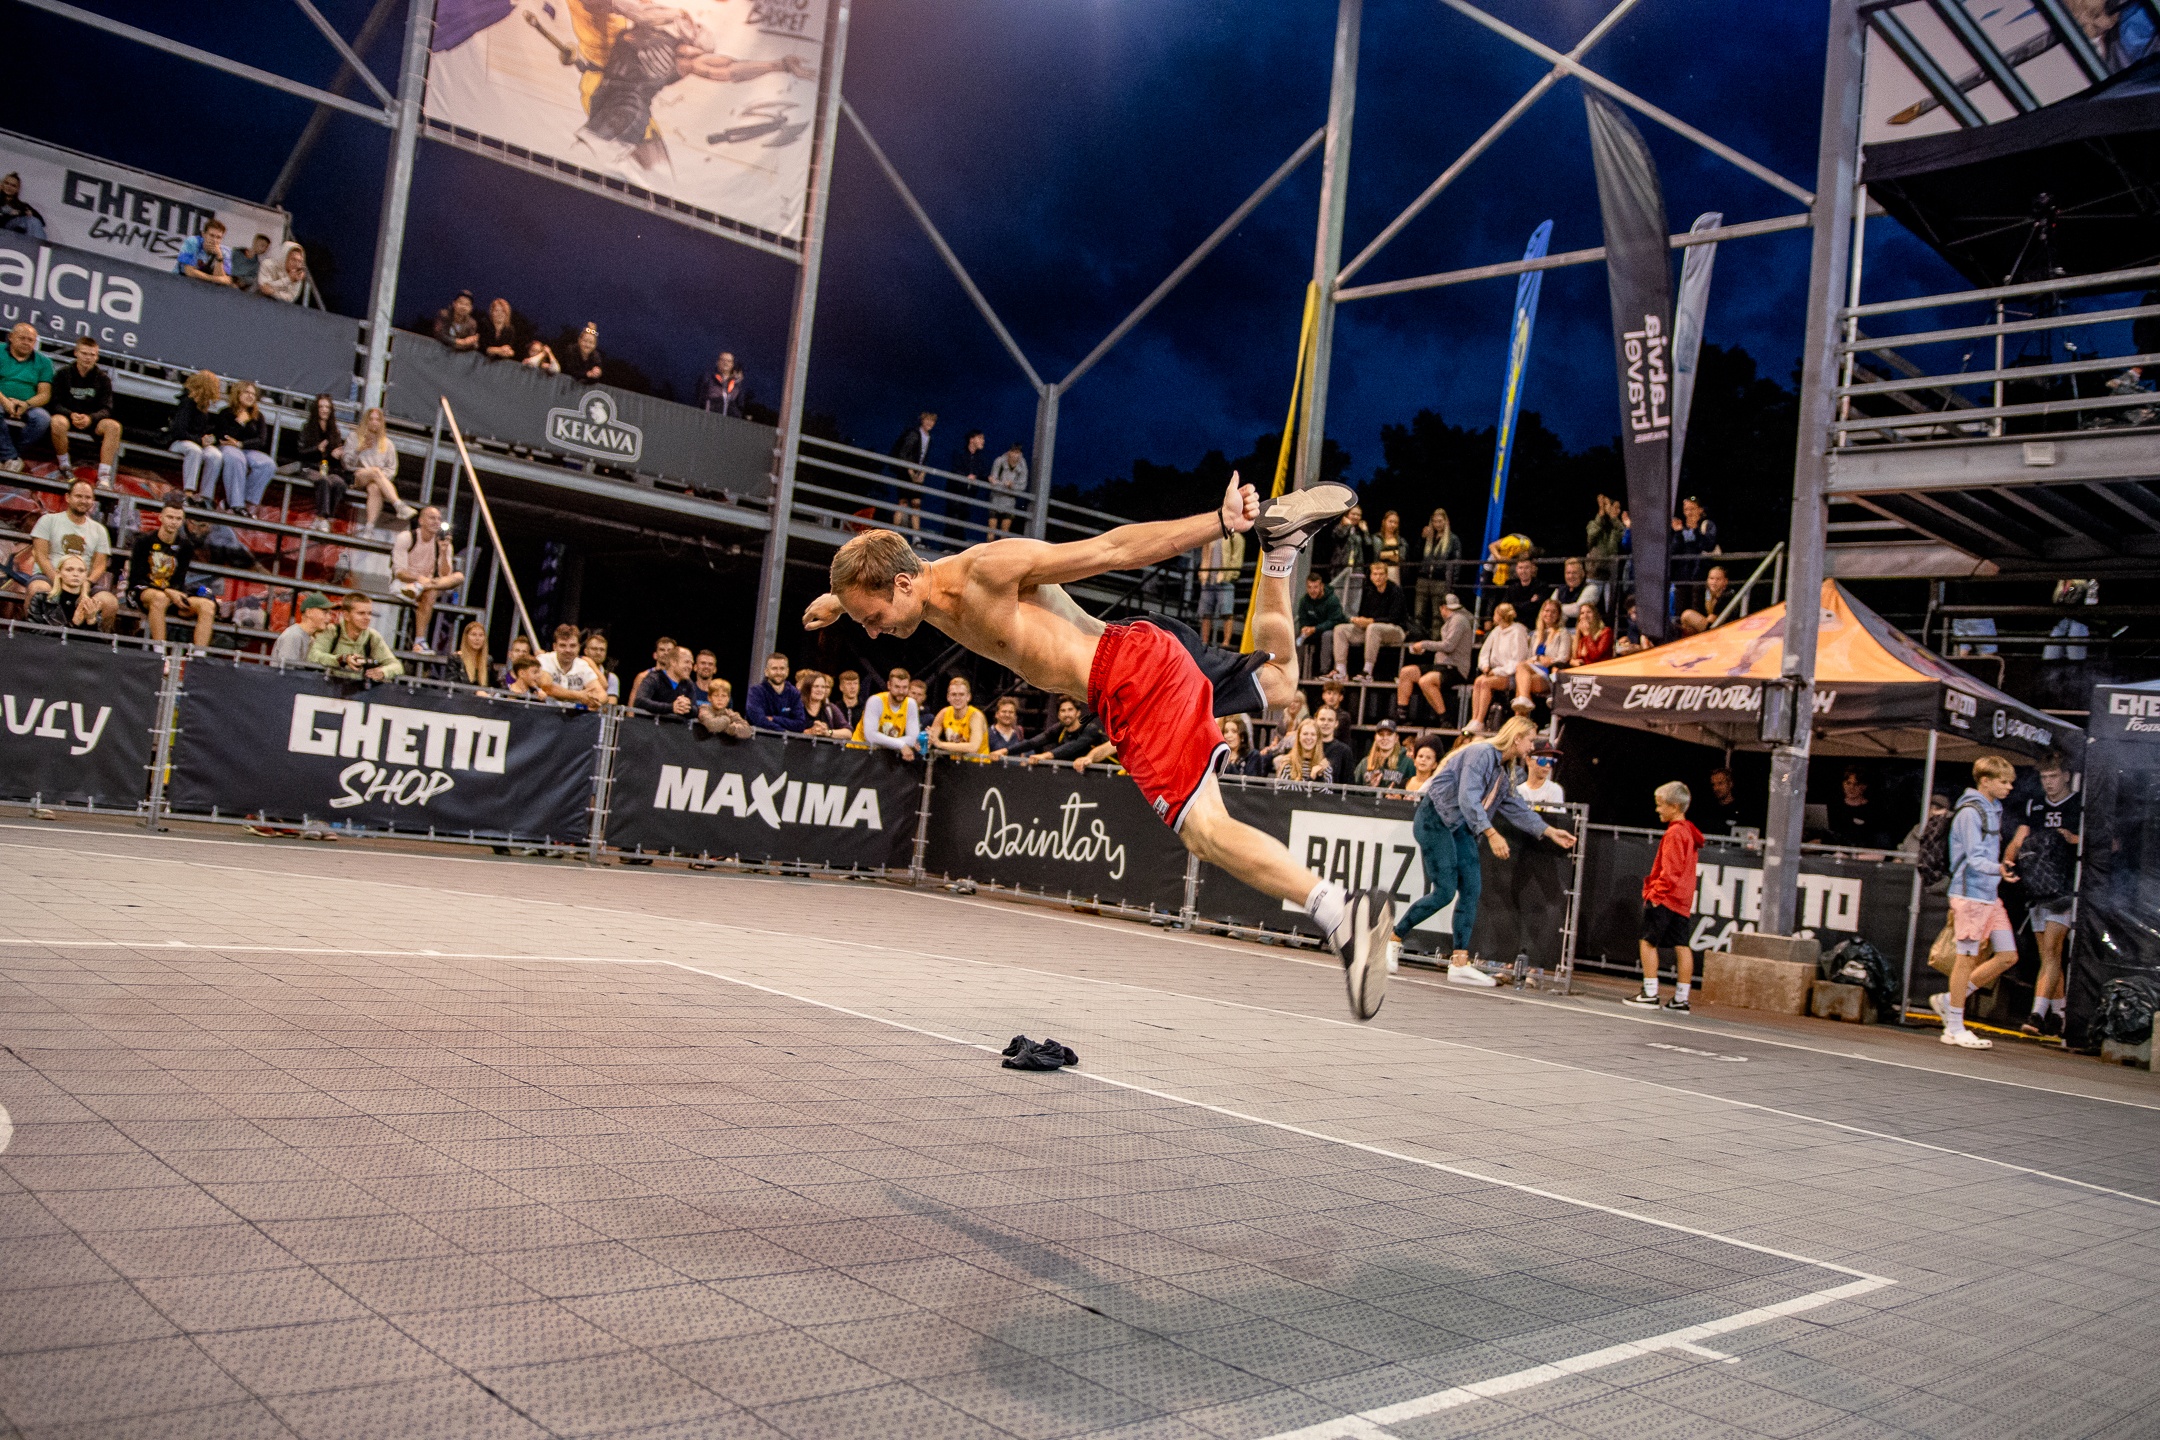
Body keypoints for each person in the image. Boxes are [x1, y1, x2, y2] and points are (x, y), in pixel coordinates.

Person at [809, 476, 1398, 1017]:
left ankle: (1341, 914)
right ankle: (1282, 547)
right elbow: (883, 568)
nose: (873, 631)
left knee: (1206, 831)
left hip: (1132, 680)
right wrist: (841, 601)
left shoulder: (988, 570)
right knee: (1280, 684)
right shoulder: (914, 589)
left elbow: (1114, 549)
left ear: (902, 585)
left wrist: (1219, 523)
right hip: (1137, 658)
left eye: (872, 617)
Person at [1395, 716, 1578, 981]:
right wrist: (1491, 833)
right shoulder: (1480, 753)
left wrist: (1549, 831)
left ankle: (1459, 963)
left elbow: (1516, 808)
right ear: (1517, 738)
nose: (1531, 746)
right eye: (1530, 740)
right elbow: (1467, 797)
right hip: (1435, 820)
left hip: (1461, 827)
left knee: (1471, 889)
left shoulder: (1505, 772)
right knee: (1445, 892)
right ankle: (1393, 938)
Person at [1934, 756, 2020, 1050]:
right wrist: (1999, 868)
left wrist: (1998, 871)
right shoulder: (1970, 813)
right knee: (1966, 959)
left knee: (2008, 956)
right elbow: (1973, 858)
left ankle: (1949, 1001)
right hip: (1970, 895)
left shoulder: (1992, 809)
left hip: (1988, 895)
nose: (2009, 787)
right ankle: (1954, 1027)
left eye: (2010, 782)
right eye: (2003, 782)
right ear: (1985, 781)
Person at [2005, 754, 2081, 1039]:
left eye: (2053, 776)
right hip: (2037, 889)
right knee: (2049, 956)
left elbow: (2107, 843)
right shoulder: (2034, 805)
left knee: (2051, 950)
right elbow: (2018, 840)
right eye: (2044, 777)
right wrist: (2008, 860)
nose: (2048, 783)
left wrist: (2073, 838)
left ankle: (2036, 1015)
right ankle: (2060, 1016)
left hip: (2064, 889)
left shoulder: (2079, 805)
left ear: (2066, 776)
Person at [1625, 781, 1702, 1012]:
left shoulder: (1675, 833)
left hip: (1666, 898)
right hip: (1683, 901)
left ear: (1675, 806)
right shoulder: (1689, 831)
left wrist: (1654, 895)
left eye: (1660, 805)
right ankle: (1681, 999)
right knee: (1682, 945)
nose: (1657, 809)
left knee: (1647, 942)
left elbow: (1670, 871)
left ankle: (1649, 994)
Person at [27, 479, 116, 629]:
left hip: (82, 580)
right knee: (37, 589)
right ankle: (31, 634)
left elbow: (100, 565)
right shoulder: (48, 520)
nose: (83, 501)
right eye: (79, 496)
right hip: (49, 576)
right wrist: (58, 581)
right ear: (68, 497)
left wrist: (86, 584)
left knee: (110, 602)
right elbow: (40, 556)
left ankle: (96, 640)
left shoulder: (99, 530)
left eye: (88, 497)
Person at [127, 500, 215, 649]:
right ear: (160, 517)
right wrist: (168, 591)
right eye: (170, 517)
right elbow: (137, 579)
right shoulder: (144, 541)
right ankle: (160, 653)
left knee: (208, 606)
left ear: (182, 521)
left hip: (171, 594)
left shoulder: (186, 546)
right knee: (159, 598)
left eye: (178, 518)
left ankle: (198, 657)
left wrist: (176, 594)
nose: (173, 522)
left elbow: (179, 579)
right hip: (142, 592)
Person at [48, 337, 121, 487]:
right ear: (76, 353)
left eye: (92, 355)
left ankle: (104, 476)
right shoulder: (63, 374)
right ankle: (65, 466)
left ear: (97, 357)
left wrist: (90, 418)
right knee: (57, 422)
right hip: (68, 417)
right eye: (84, 353)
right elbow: (55, 403)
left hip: (92, 421)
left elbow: (107, 409)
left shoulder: (103, 379)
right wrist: (70, 414)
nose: (88, 358)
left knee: (114, 426)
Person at [391, 507, 463, 654]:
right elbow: (399, 573)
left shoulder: (444, 545)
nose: (436, 522)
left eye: (438, 519)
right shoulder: (407, 537)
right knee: (431, 591)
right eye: (432, 518)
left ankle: (419, 643)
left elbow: (445, 576)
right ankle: (420, 641)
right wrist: (419, 579)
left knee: (459, 577)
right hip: (404, 584)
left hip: (425, 586)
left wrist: (443, 552)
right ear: (421, 520)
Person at [1396, 591, 1474, 725]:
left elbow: (1448, 646)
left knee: (1426, 681)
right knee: (1406, 672)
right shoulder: (1449, 622)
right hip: (1441, 665)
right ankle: (1401, 715)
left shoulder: (1458, 620)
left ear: (1442, 608)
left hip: (1455, 668)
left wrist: (1424, 644)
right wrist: (1424, 649)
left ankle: (1445, 719)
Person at [1328, 557, 1409, 681]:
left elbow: (1394, 618)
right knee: (1340, 629)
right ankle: (1341, 671)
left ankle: (1367, 671)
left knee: (1373, 627)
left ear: (1386, 576)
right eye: (1375, 574)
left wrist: (1370, 621)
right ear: (1371, 576)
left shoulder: (1396, 591)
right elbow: (1364, 614)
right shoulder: (1369, 592)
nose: (1378, 577)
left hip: (1396, 631)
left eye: (1381, 574)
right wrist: (1359, 621)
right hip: (1371, 631)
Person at [0, 322, 55, 474]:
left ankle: (9, 457)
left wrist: (26, 404)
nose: (26, 342)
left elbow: (45, 394)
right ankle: (11, 457)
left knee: (43, 419)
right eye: (22, 338)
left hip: (28, 404)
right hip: (1, 399)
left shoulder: (44, 362)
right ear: (11, 337)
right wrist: (5, 402)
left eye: (30, 340)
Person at [309, 592, 402, 681]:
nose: (367, 618)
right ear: (346, 615)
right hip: (329, 685)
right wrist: (342, 659)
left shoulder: (372, 636)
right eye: (361, 613)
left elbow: (397, 666)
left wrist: (383, 672)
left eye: (369, 613)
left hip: (360, 688)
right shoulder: (332, 631)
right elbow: (313, 656)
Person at [214, 380, 276, 514]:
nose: (250, 396)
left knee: (268, 464)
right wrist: (239, 422)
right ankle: (235, 504)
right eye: (247, 392)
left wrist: (240, 444)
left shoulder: (258, 416)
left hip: (247, 449)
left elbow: (261, 441)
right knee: (237, 458)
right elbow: (223, 435)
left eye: (253, 394)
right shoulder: (226, 413)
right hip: (228, 448)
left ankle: (248, 503)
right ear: (238, 393)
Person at [344, 407, 410, 530]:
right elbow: (347, 464)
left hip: (377, 481)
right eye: (371, 419)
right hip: (357, 476)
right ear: (366, 421)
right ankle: (398, 504)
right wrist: (359, 450)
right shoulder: (354, 437)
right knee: (375, 471)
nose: (374, 422)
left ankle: (369, 527)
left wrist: (379, 477)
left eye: (377, 420)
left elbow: (391, 469)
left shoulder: (388, 444)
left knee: (375, 488)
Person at [1468, 602, 1529, 727]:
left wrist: (1497, 672)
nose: (1493, 616)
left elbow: (1517, 660)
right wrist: (1485, 666)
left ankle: (1480, 719)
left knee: (1485, 683)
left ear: (1501, 615)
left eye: (1495, 613)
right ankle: (1474, 719)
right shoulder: (1496, 631)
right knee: (1478, 681)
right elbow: (1484, 653)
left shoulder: (1518, 631)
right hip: (1495, 671)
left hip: (1511, 675)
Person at [1511, 598, 1574, 715]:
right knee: (1523, 680)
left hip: (1550, 674)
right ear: (1542, 613)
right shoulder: (1536, 634)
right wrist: (1539, 659)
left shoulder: (1563, 634)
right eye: (1547, 611)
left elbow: (1563, 658)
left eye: (1553, 612)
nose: (1549, 614)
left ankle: (1519, 718)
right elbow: (1530, 657)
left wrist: (1547, 660)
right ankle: (1523, 707)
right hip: (1535, 670)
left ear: (1558, 615)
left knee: (1522, 679)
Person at [166, 370, 225, 496]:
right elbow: (179, 431)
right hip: (179, 442)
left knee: (215, 455)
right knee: (194, 450)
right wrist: (199, 440)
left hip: (196, 442)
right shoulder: (187, 403)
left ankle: (206, 495)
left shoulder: (204, 407)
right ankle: (189, 490)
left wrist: (208, 439)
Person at [296, 394, 346, 528]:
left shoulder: (334, 431)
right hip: (308, 467)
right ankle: (321, 517)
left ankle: (328, 517)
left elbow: (333, 459)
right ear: (316, 409)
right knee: (323, 480)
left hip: (328, 469)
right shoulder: (307, 428)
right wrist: (317, 449)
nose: (324, 410)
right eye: (321, 407)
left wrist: (335, 455)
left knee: (339, 483)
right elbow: (301, 453)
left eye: (327, 407)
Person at [1196, 525, 1245, 649]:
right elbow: (1205, 555)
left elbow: (1237, 557)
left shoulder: (1234, 537)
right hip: (1209, 578)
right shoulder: (1211, 537)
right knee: (1206, 612)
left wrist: (1230, 575)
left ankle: (1226, 641)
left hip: (1224, 578)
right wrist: (1203, 572)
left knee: (1226, 611)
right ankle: (1204, 640)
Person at [854, 667, 920, 759]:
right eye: (897, 687)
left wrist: (891, 744)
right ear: (889, 685)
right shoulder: (875, 701)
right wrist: (900, 744)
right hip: (859, 753)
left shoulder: (911, 704)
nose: (901, 692)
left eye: (905, 687)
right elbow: (870, 736)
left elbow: (913, 738)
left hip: (885, 755)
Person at [27, 554, 105, 631]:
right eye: (69, 570)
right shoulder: (41, 599)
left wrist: (91, 621)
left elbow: (98, 638)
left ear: (86, 575)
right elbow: (32, 632)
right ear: (58, 573)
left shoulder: (91, 606)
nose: (75, 574)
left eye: (81, 570)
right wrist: (72, 624)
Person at [1413, 507, 1461, 634]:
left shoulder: (1453, 539)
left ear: (1446, 521)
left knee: (1437, 615)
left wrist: (1452, 584)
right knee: (1418, 613)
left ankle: (1435, 640)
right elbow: (1416, 556)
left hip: (1440, 581)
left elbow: (1456, 563)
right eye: (1434, 521)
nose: (1437, 524)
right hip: (1423, 579)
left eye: (1440, 521)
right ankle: (1417, 638)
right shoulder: (1428, 537)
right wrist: (1422, 539)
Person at [537, 624, 607, 706]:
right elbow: (547, 687)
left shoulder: (582, 665)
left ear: (579, 647)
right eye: (563, 645)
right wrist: (579, 695)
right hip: (544, 711)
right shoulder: (544, 659)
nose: (568, 650)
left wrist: (594, 701)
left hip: (571, 713)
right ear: (554, 647)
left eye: (572, 646)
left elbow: (602, 695)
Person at [1295, 572, 1348, 679]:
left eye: (1315, 587)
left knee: (1327, 635)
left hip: (1333, 630)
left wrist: (1315, 629)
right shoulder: (1304, 601)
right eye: (1309, 587)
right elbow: (1303, 619)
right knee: (1297, 637)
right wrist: (1304, 628)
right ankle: (1295, 671)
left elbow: (1335, 621)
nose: (1312, 590)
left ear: (1321, 586)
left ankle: (1324, 671)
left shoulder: (1332, 600)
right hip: (1314, 631)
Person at [889, 411, 936, 531]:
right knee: (903, 502)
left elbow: (925, 458)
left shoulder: (929, 437)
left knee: (916, 503)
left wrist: (922, 473)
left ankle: (916, 536)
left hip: (917, 473)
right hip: (905, 472)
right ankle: (894, 533)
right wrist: (911, 472)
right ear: (922, 420)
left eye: (932, 421)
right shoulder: (914, 434)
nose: (930, 423)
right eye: (928, 419)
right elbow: (904, 453)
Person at [1826, 765, 1889, 850]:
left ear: (1864, 786)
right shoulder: (1835, 806)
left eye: (1856, 784)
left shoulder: (1874, 810)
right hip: (1834, 850)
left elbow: (1879, 841)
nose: (1851, 788)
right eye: (1848, 783)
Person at [1326, 504, 1374, 616]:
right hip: (1341, 568)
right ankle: (1337, 620)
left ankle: (1350, 621)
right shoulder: (1339, 528)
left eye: (1358, 515)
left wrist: (1365, 531)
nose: (1356, 517)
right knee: (1339, 598)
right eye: (1353, 514)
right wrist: (1347, 526)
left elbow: (1369, 545)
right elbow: (1339, 537)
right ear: (1347, 515)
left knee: (1354, 599)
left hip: (1357, 569)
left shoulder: (1359, 531)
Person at [745, 652, 808, 733]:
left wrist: (774, 719)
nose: (778, 672)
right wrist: (783, 731)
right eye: (774, 668)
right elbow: (759, 720)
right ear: (766, 672)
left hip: (786, 741)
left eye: (782, 668)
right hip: (760, 739)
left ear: (787, 671)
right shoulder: (756, 692)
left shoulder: (794, 693)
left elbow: (800, 724)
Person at [634, 644, 700, 720]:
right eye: (686, 662)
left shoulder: (688, 684)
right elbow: (640, 701)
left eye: (691, 663)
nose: (690, 667)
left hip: (675, 727)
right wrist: (671, 707)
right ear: (673, 662)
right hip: (650, 725)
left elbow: (696, 710)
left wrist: (687, 708)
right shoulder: (655, 678)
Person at [272, 591, 337, 666]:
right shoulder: (294, 636)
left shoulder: (309, 637)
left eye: (330, 613)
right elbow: (286, 671)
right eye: (325, 612)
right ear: (309, 612)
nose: (329, 617)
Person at [930, 675, 989, 756]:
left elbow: (973, 747)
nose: (957, 698)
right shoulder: (944, 713)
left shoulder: (975, 716)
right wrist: (923, 743)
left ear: (968, 697)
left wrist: (940, 744)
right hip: (955, 762)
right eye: (954, 694)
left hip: (978, 762)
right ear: (948, 697)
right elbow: (932, 739)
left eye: (961, 694)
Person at [174, 219, 234, 286]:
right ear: (203, 234)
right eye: (211, 235)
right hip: (179, 281)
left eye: (218, 237)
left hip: (203, 289)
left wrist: (219, 257)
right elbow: (189, 272)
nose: (214, 240)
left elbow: (223, 281)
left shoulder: (226, 252)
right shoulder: (192, 242)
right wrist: (214, 279)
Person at [1274, 716, 1332, 783]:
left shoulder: (1324, 766)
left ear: (1317, 738)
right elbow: (1284, 789)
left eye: (1313, 734)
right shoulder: (1287, 763)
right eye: (1305, 734)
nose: (1309, 738)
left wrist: (1319, 776)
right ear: (1299, 737)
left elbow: (1328, 789)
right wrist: (1312, 777)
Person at [1680, 563, 1734, 635]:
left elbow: (1714, 618)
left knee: (1687, 614)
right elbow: (1697, 610)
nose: (1714, 582)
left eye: (1718, 579)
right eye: (1711, 578)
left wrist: (1717, 597)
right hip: (1707, 625)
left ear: (1725, 581)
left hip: (1722, 628)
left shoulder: (1728, 594)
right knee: (1687, 621)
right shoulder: (1701, 590)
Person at [1360, 718, 1413, 789]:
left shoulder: (1407, 763)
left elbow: (1415, 790)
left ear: (1396, 738)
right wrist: (1370, 788)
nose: (1385, 738)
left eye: (1389, 734)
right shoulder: (1364, 763)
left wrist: (1398, 794)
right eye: (1381, 734)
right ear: (1375, 737)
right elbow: (1352, 791)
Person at [1549, 557, 1603, 625]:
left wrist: (1557, 609)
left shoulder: (1591, 588)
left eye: (1574, 573)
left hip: (1585, 628)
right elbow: (1549, 608)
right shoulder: (1559, 590)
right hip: (1562, 628)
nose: (1571, 576)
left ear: (1582, 574)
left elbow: (1578, 610)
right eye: (1568, 573)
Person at [987, 442, 1027, 535]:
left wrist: (1012, 486)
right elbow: (993, 482)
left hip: (1010, 502)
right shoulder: (999, 461)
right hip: (996, 499)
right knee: (991, 533)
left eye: (1018, 453)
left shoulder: (1022, 466)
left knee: (1005, 533)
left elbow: (1022, 486)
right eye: (1013, 452)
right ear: (1009, 452)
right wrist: (1006, 485)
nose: (1015, 455)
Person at [1314, 705, 1356, 783]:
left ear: (1336, 723)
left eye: (1330, 720)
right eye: (1322, 719)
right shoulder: (1308, 746)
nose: (1326, 723)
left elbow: (1349, 783)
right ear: (1315, 721)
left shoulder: (1344, 751)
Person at [1701, 767, 1749, 835]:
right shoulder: (1709, 810)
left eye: (1720, 783)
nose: (1716, 788)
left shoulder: (1741, 810)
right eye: (1713, 784)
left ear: (1730, 784)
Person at [1517, 741, 1565, 806]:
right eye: (1542, 760)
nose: (1548, 765)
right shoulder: (1518, 791)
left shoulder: (1555, 790)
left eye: (1551, 761)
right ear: (1528, 760)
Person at [0, 172, 46, 239]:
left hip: (15, 235)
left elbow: (41, 222)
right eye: (7, 183)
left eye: (13, 185)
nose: (9, 187)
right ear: (2, 185)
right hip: (3, 231)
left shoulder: (22, 205)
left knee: (32, 221)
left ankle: (37, 244)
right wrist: (9, 213)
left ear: (17, 189)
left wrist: (29, 213)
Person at [1496, 556, 1542, 623]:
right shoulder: (1512, 587)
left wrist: (1514, 606)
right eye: (1520, 568)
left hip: (1533, 623)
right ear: (1516, 569)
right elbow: (1505, 607)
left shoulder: (1540, 586)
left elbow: (1534, 608)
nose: (1523, 571)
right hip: (1513, 623)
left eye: (1527, 568)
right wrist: (1529, 602)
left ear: (1532, 569)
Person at [1400, 734, 1442, 799]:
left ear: (1435, 765)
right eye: (1420, 756)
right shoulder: (1403, 783)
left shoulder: (1436, 787)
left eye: (1428, 758)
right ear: (1414, 761)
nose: (1423, 760)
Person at [452, 619, 492, 686]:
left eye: (481, 635)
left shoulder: (488, 660)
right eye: (473, 635)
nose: (477, 639)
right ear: (466, 637)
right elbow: (452, 684)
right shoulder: (456, 659)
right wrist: (475, 691)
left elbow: (494, 685)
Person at [1573, 600, 1614, 665]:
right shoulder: (1582, 637)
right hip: (1584, 669)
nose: (1585, 616)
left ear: (1596, 615)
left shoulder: (1606, 632)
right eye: (1582, 613)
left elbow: (1596, 657)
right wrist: (1578, 633)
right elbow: (1574, 657)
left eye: (1589, 612)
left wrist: (1587, 634)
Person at [583, 631, 619, 703]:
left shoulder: (611, 678)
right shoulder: (575, 670)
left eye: (602, 650)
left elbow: (610, 705)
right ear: (585, 651)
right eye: (594, 649)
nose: (598, 653)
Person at [1373, 510, 1405, 583]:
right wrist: (1394, 553)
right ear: (1384, 522)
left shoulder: (1401, 540)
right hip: (1379, 571)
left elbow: (1401, 558)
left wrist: (1385, 554)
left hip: (1394, 571)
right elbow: (1378, 555)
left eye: (1395, 523)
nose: (1393, 525)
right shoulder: (1376, 538)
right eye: (1390, 521)